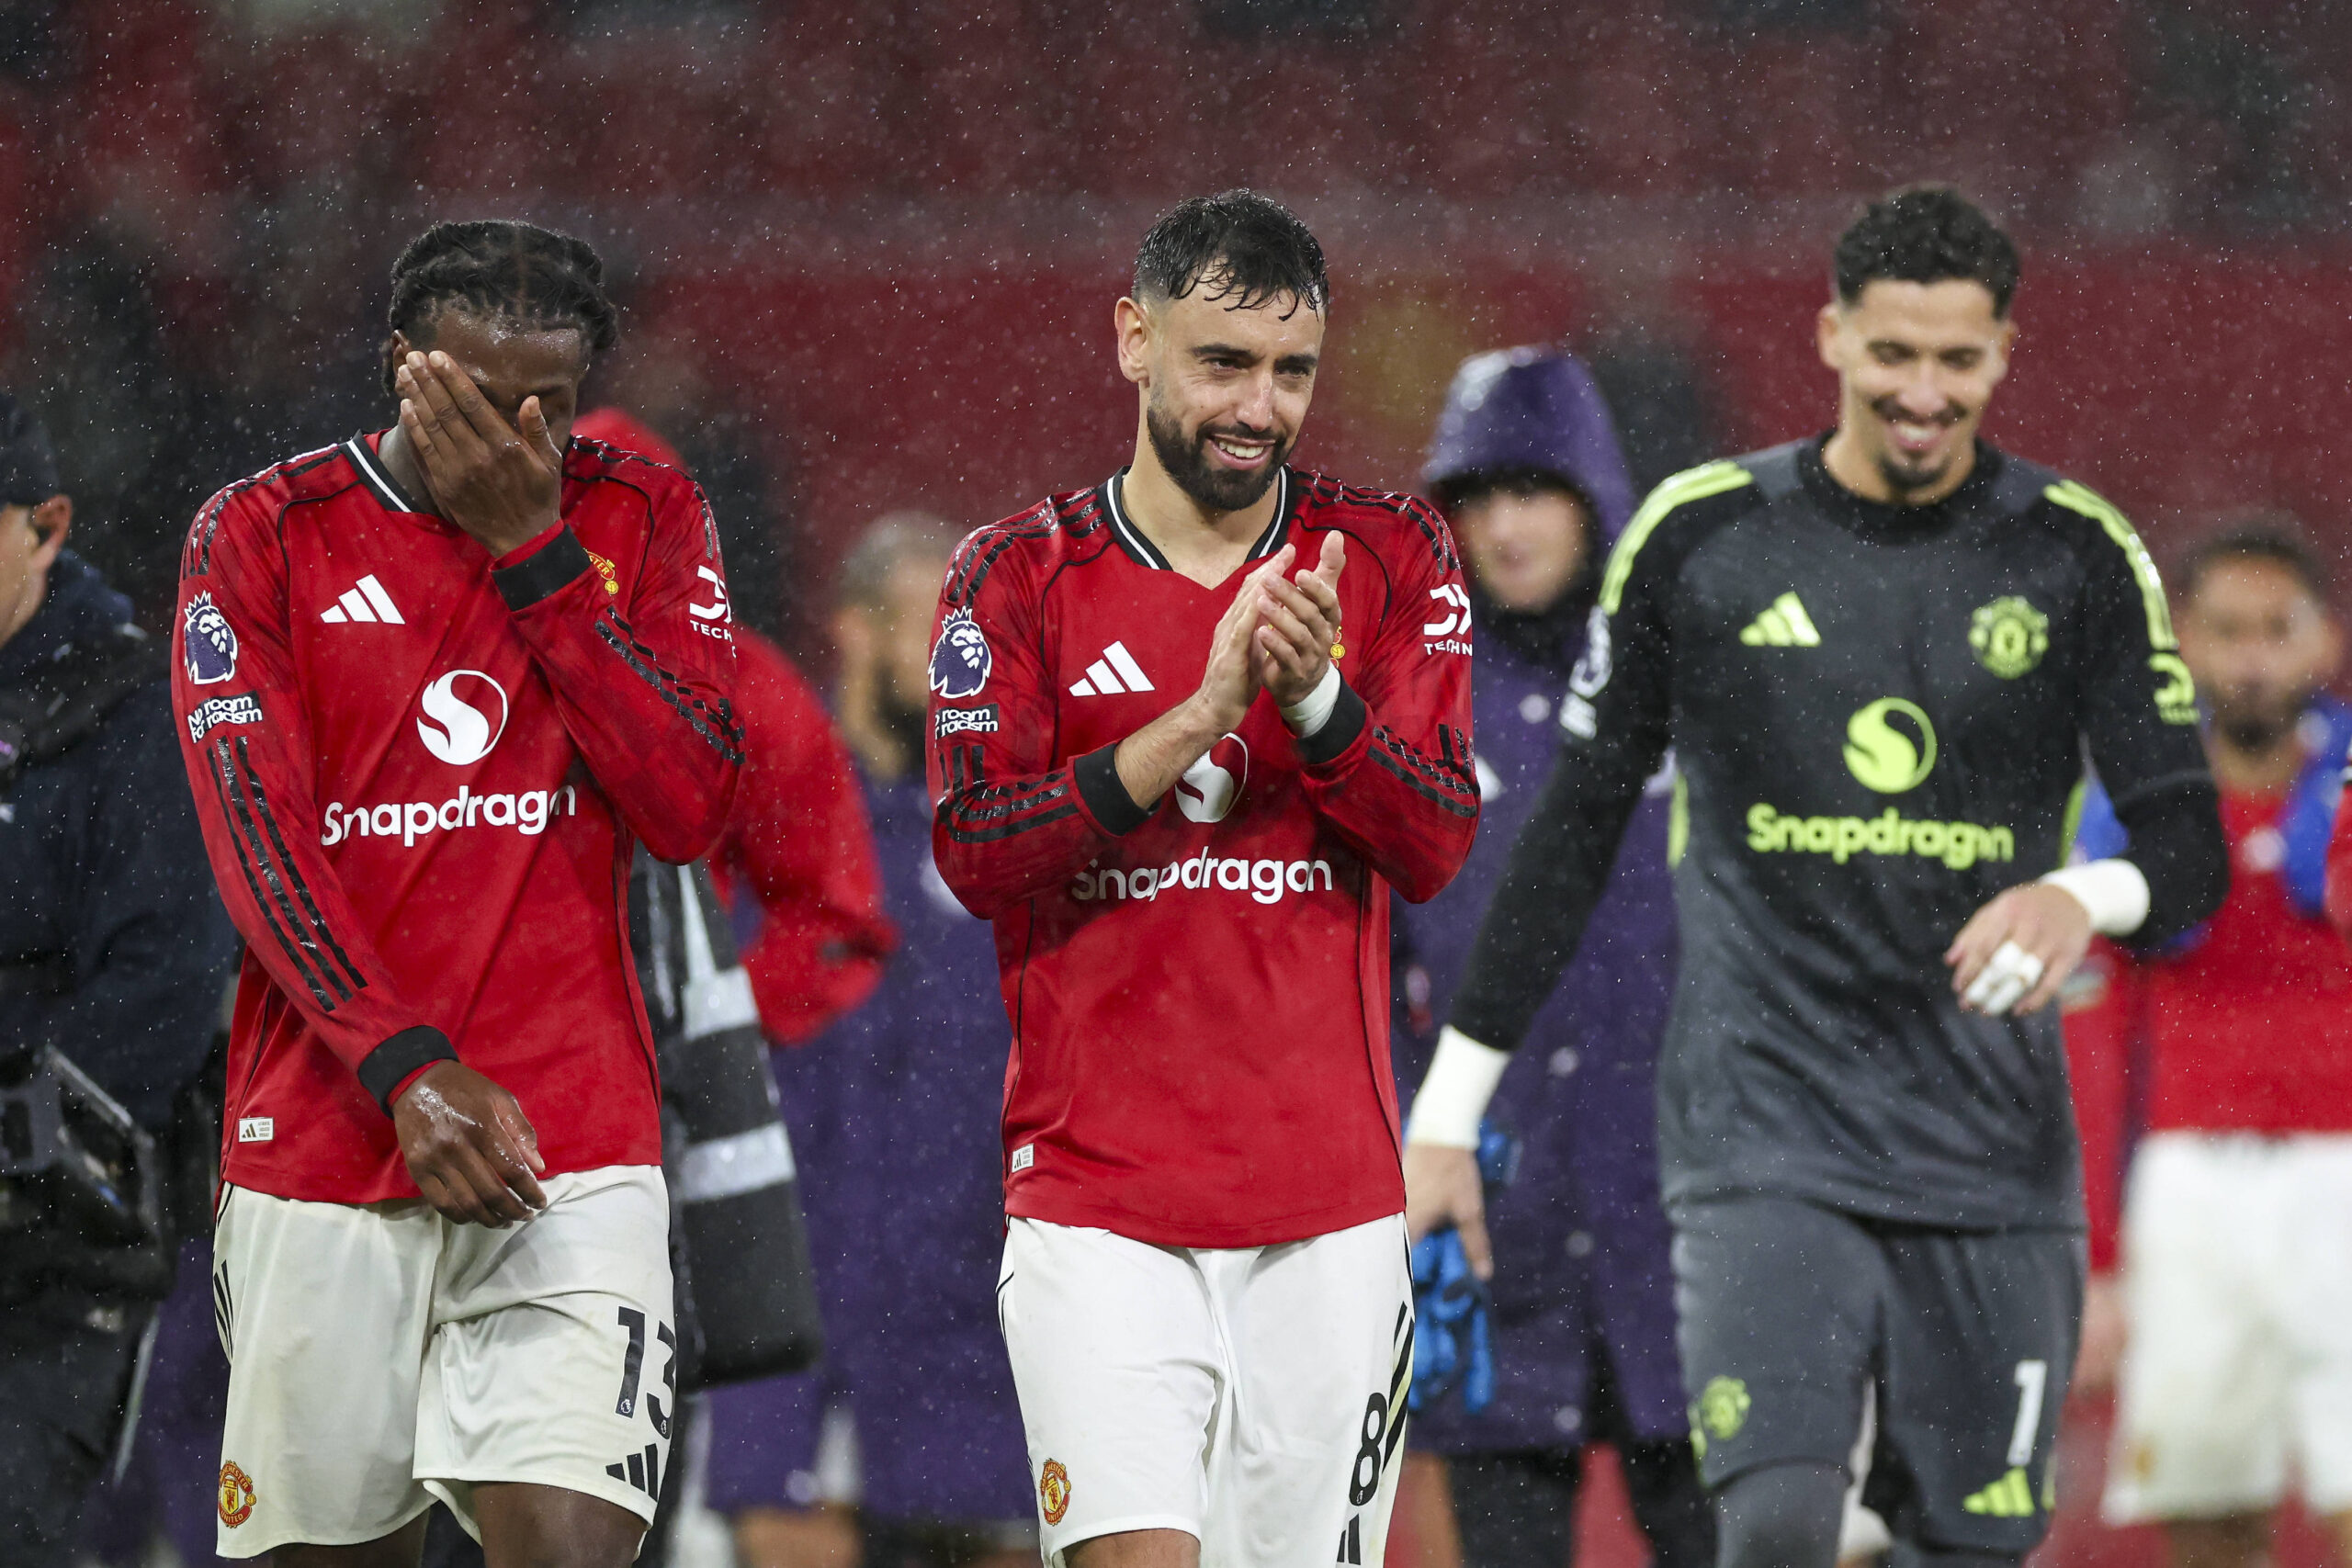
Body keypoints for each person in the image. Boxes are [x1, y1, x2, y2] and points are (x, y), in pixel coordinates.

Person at [1402, 184, 2229, 1568]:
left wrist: (2083, 893)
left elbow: (2186, 849)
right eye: (1893, 351)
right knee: (1773, 1521)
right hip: (1761, 1139)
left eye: (1956, 358)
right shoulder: (1701, 536)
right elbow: (1572, 835)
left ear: (2004, 354)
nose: (1922, 390)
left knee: (1968, 1542)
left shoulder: (2077, 550)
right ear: (1832, 335)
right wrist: (1449, 1108)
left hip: (1986, 1150)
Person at [171, 220, 741, 1565]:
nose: (517, 433)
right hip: (325, 1145)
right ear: (400, 365)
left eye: (549, 401)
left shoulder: (640, 513)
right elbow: (260, 842)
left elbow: (690, 805)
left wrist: (537, 551)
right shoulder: (258, 532)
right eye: (482, 400)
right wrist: (406, 1066)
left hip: (573, 1151)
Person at [926, 189, 1479, 1568]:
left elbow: (1434, 842)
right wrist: (1194, 715)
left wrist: (1319, 705)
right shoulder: (1015, 573)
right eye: (1222, 362)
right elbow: (975, 849)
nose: (1260, 405)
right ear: (1134, 338)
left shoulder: (1391, 554)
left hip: (1331, 1217)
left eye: (1292, 371)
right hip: (1099, 1206)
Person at [1397, 347, 1710, 1568]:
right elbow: (1367, 959)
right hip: (1484, 1215)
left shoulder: (1691, 681)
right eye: (1476, 498)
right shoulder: (1408, 703)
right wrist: (1404, 1127)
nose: (1505, 527)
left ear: (1595, 494)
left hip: (1681, 1208)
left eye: (1535, 490)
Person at [710, 513, 1037, 1568]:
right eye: (935, 633)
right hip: (791, 1292)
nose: (960, 667)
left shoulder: (1001, 833)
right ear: (853, 632)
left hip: (966, 1312)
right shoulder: (763, 806)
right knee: (785, 1530)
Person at [2065, 524, 2352, 1567]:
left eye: (2278, 630)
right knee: (2208, 1520)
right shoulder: (2133, 807)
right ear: (2183, 641)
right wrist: (2098, 1257)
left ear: (2324, 642)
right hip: (2189, 1190)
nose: (2251, 658)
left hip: (2344, 1179)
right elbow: (2092, 1048)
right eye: (2226, 630)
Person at [0, 389, 237, 1564]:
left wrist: (19, 1132)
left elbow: (170, 979)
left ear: (46, 526)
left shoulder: (137, 716)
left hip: (52, 1256)